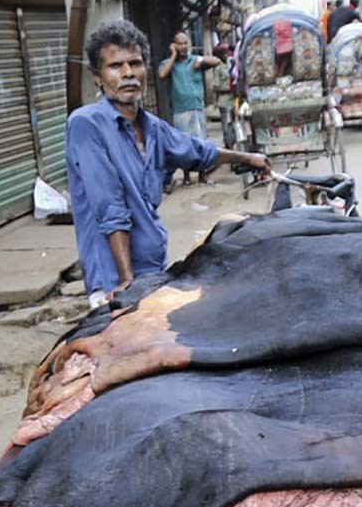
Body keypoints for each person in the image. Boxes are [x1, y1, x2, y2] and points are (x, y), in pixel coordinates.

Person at [66, 20, 271, 308]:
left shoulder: (152, 128)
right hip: (116, 282)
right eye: (116, 66)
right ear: (97, 77)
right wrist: (128, 283)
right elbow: (109, 207)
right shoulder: (86, 125)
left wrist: (249, 158)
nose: (128, 73)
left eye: (135, 63)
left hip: (152, 270)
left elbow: (199, 152)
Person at [158, 31, 220, 185]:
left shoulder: (195, 61)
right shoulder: (168, 64)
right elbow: (161, 74)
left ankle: (203, 174)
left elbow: (216, 61)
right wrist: (172, 56)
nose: (184, 46)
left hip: (197, 109)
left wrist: (200, 59)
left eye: (186, 43)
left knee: (201, 142)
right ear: (174, 45)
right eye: (180, 43)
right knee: (184, 145)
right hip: (181, 111)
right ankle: (186, 176)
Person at [211, 43, 234, 147]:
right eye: (224, 53)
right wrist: (228, 89)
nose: (226, 55)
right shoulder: (218, 68)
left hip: (233, 100)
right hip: (224, 100)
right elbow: (215, 86)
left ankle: (233, 141)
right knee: (226, 124)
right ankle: (227, 143)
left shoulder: (230, 64)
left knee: (233, 123)